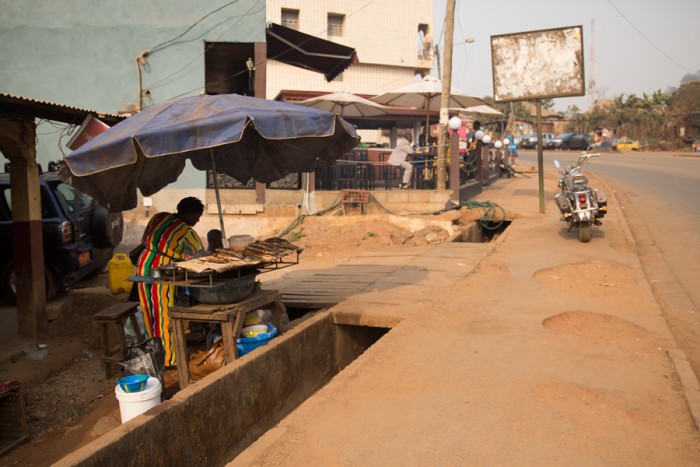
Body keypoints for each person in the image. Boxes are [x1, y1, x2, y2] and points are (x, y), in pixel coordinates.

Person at [136, 197, 205, 367]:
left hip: (143, 264)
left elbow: (145, 239)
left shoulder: (159, 217)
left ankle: (152, 354)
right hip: (162, 271)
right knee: (163, 314)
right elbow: (200, 258)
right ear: (189, 213)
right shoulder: (187, 232)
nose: (197, 220)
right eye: (197, 216)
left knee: (148, 311)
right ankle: (168, 360)